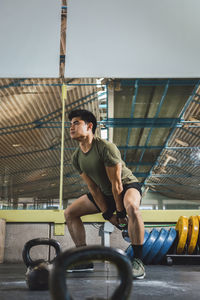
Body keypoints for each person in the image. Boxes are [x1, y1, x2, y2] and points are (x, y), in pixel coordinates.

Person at [64, 109, 145, 279]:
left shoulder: (105, 148)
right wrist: (108, 215)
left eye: (76, 123)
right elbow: (93, 188)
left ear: (89, 126)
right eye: (70, 124)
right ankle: (83, 258)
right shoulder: (76, 157)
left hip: (127, 185)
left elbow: (117, 184)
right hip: (104, 192)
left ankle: (138, 261)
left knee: (133, 208)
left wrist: (121, 213)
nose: (71, 127)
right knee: (70, 213)